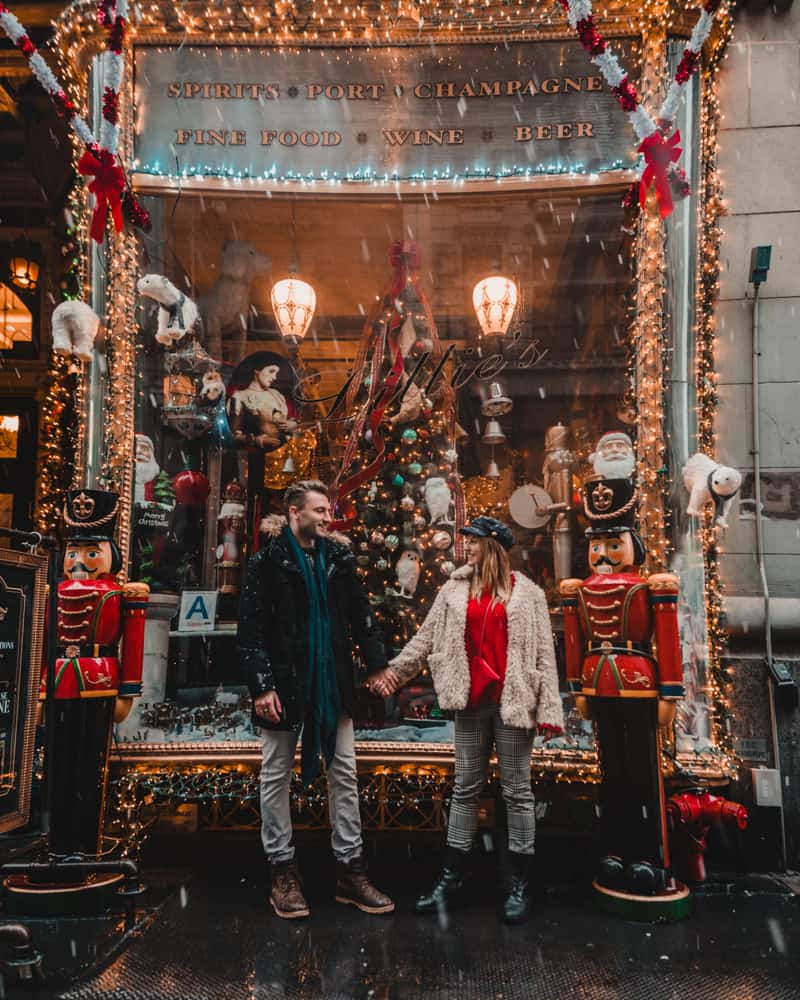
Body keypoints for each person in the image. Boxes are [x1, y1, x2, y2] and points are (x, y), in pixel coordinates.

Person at [370, 516, 564, 924]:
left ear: (492, 547)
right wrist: (394, 673)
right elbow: (425, 638)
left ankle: (521, 883)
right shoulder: (453, 589)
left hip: (512, 702)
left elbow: (545, 653)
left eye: (473, 542)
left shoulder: (526, 593)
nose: (466, 548)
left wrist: (549, 709)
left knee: (517, 792)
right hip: (471, 702)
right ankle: (453, 879)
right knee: (465, 789)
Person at [238, 479, 394, 920]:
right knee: (276, 776)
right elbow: (250, 633)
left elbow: (362, 616)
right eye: (320, 510)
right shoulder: (266, 563)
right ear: (294, 513)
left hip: (332, 685)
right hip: (285, 687)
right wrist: (262, 685)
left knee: (343, 772)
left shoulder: (340, 560)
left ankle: (350, 871)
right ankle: (282, 872)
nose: (328, 518)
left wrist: (377, 663)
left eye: (328, 511)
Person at [560, 476, 684, 900]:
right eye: (598, 545)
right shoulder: (578, 589)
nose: (604, 555)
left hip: (639, 680)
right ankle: (615, 850)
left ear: (632, 544)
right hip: (600, 681)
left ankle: (648, 855)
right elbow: (575, 637)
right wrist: (577, 685)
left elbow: (667, 638)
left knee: (643, 772)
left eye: (614, 544)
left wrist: (670, 691)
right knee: (611, 771)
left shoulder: (654, 586)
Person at [227, 357, 297, 450]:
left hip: (284, 450)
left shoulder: (276, 395)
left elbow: (287, 419)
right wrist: (257, 440)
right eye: (271, 371)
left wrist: (292, 424)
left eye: (276, 373)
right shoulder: (240, 397)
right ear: (257, 371)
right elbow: (233, 436)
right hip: (256, 454)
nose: (274, 377)